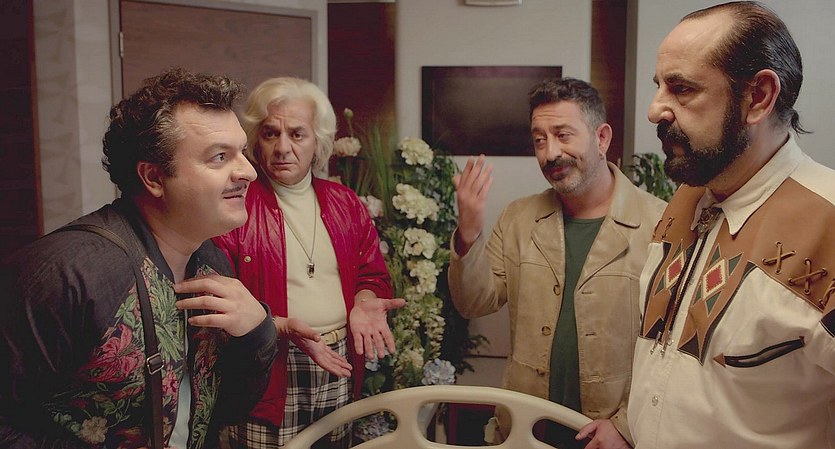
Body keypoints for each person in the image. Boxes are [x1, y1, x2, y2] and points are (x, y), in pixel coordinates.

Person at [0, 67, 278, 448]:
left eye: (242, 152)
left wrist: (257, 332)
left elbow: (225, 411)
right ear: (153, 177)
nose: (248, 171)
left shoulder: (213, 263)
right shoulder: (68, 275)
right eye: (219, 157)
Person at [628, 2, 835, 448]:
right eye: (658, 86)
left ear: (758, 97)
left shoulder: (829, 223)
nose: (655, 109)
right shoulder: (689, 196)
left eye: (681, 89)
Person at [449, 77, 666, 449]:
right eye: (539, 140)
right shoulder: (519, 218)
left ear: (601, 138)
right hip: (524, 431)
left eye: (563, 135)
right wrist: (468, 234)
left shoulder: (659, 224)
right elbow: (473, 302)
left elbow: (669, 347)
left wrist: (625, 425)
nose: (550, 154)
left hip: (610, 436)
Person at [213, 77, 404, 449]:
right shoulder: (235, 206)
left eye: (297, 134)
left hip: (338, 359)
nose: (283, 148)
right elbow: (219, 299)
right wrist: (280, 327)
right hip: (267, 366)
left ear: (318, 141)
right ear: (255, 141)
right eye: (270, 133)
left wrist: (365, 301)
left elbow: (372, 276)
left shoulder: (345, 202)